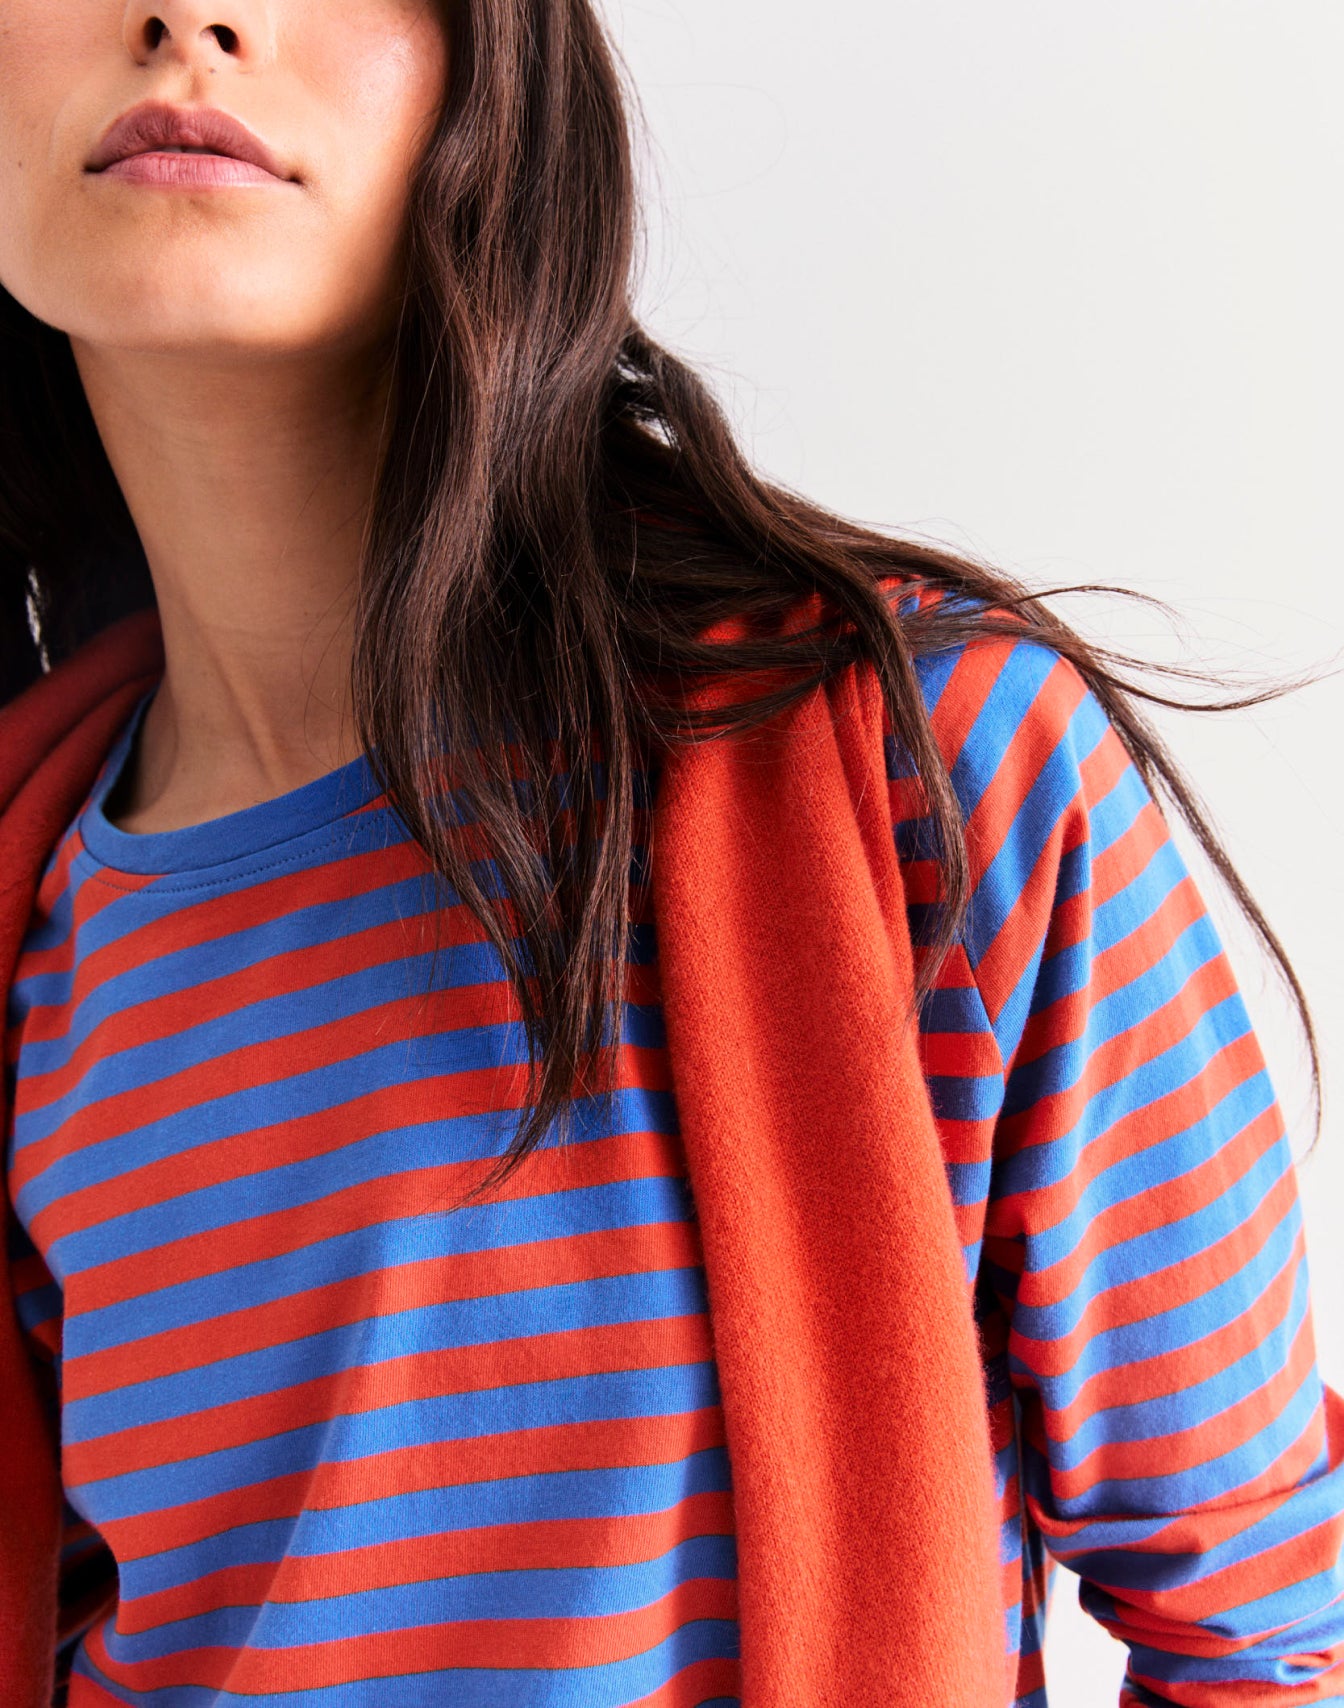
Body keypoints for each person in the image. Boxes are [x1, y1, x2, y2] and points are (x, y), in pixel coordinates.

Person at [0, 3, 1341, 1706]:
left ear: (505, 78)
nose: (192, 16)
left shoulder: (930, 769)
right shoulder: (32, 899)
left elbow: (1262, 1634)